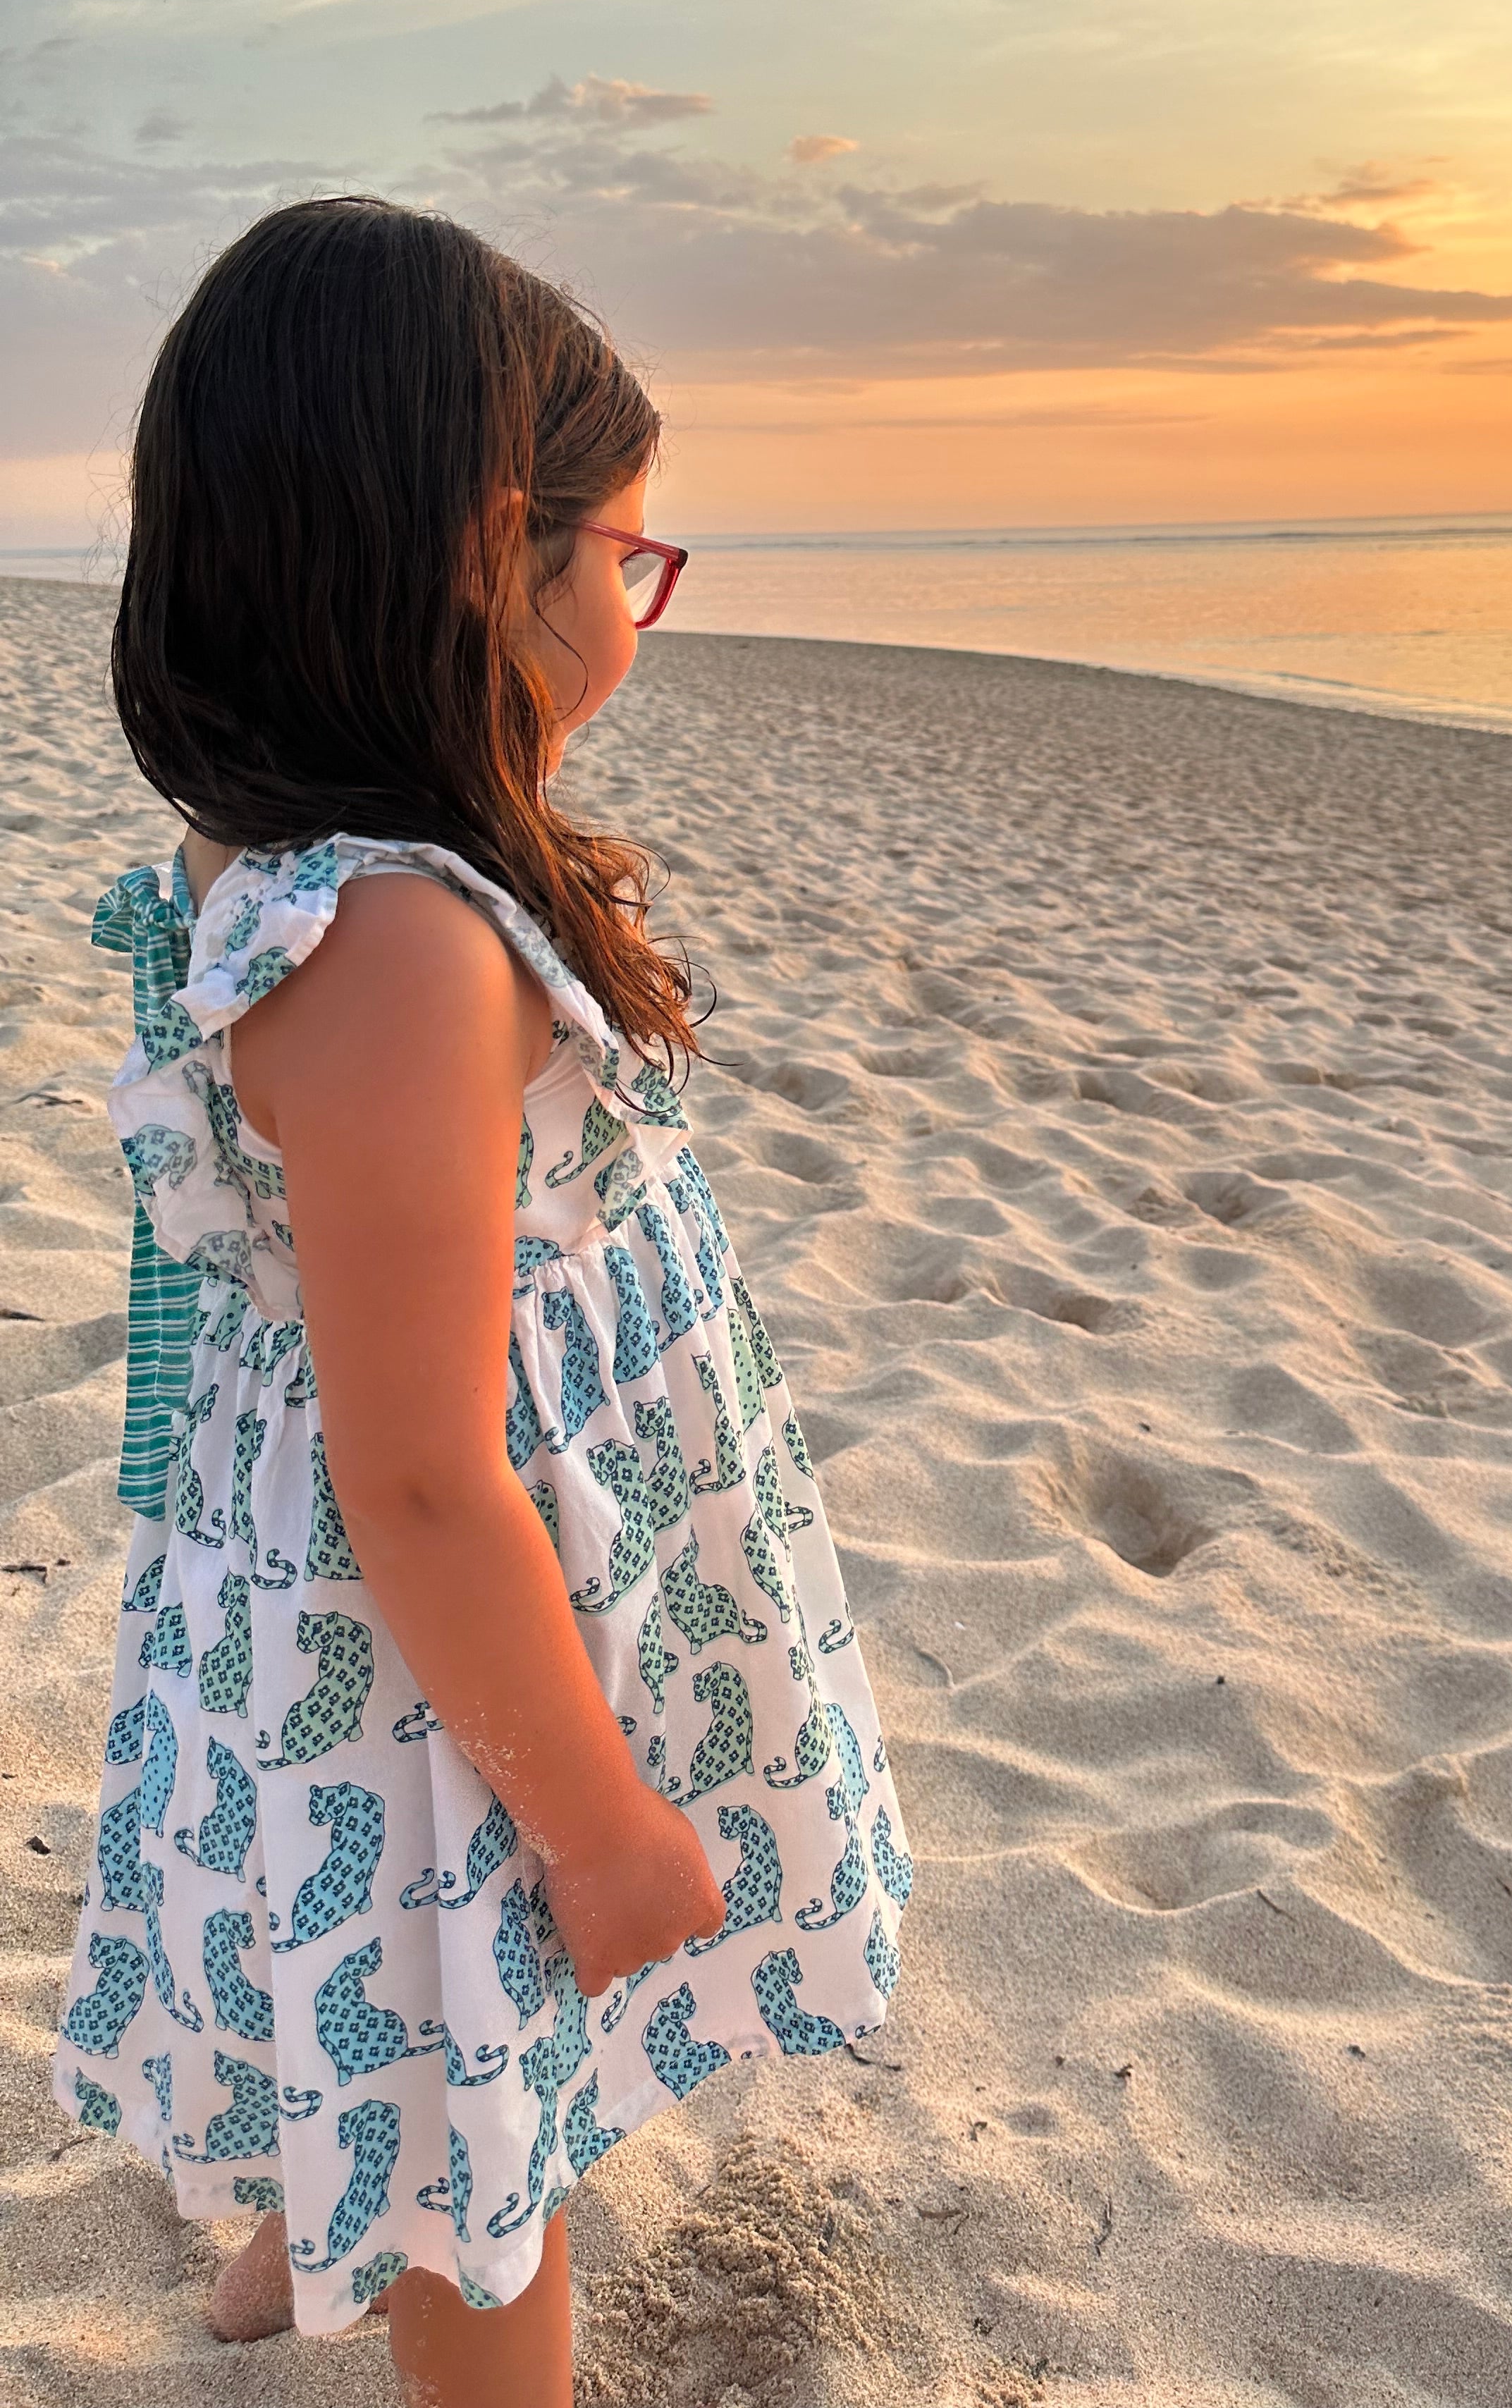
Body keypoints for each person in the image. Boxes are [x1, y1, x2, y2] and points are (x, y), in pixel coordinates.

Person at [52, 196, 913, 2406]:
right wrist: (605, 1822)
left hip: (324, 1599)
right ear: (481, 560)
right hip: (422, 1648)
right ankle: (385, 2251)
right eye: (628, 556)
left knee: (357, 1974)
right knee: (466, 2130)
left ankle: (278, 2236)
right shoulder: (405, 947)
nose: (641, 605)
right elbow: (425, 1477)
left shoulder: (277, 852)